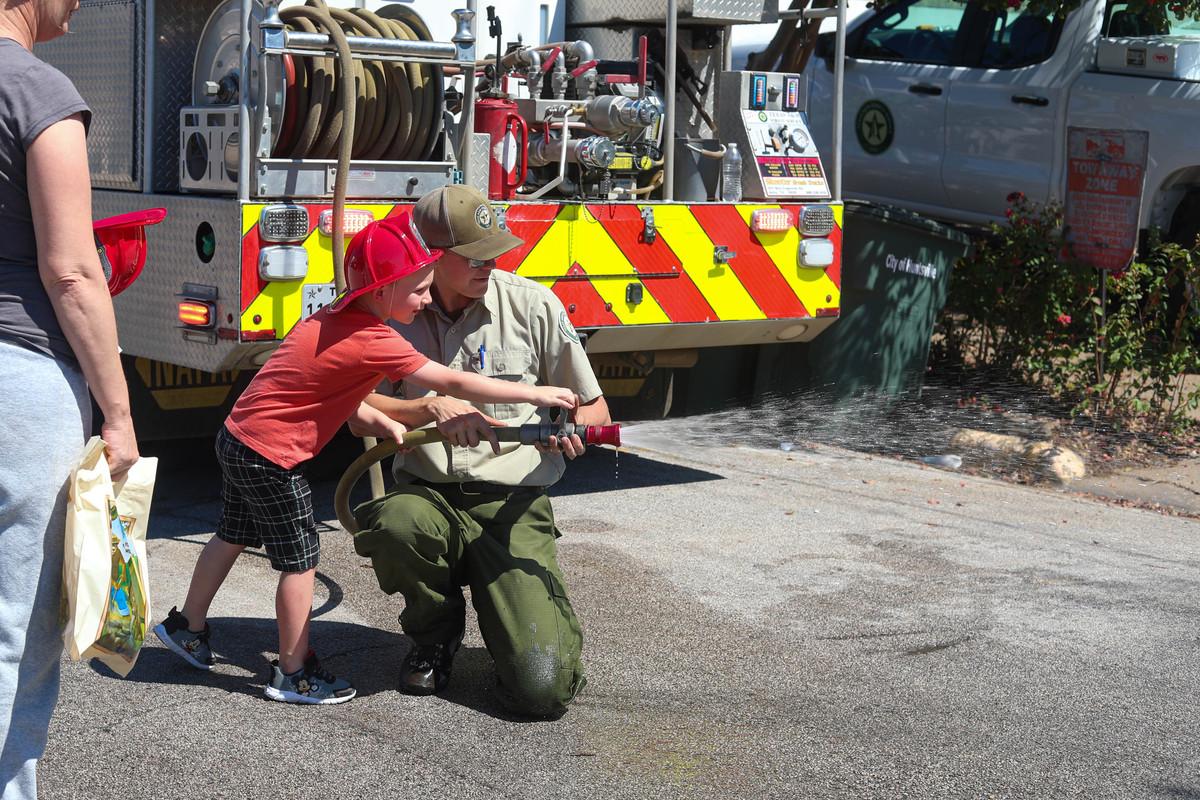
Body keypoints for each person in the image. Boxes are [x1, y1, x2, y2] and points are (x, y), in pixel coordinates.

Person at [152, 212, 576, 705]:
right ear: (382, 290)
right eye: (417, 289)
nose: (424, 298)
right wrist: (539, 392)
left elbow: (320, 387)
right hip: (271, 457)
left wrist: (384, 421)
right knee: (300, 560)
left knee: (232, 532)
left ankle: (188, 625)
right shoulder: (375, 337)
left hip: (238, 438)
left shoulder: (335, 317)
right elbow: (454, 382)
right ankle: (293, 672)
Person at [352, 185, 611, 718]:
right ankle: (435, 636)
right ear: (430, 256)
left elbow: (595, 409)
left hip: (511, 504)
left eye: (494, 251)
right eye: (473, 256)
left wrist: (572, 428)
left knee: (541, 691)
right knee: (396, 525)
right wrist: (426, 411)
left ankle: (519, 634)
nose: (488, 265)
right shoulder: (392, 307)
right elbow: (351, 398)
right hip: (427, 497)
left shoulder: (533, 304)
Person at [0, 2, 140, 797]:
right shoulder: (37, 93)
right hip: (18, 382)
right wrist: (117, 414)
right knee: (16, 628)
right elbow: (72, 271)